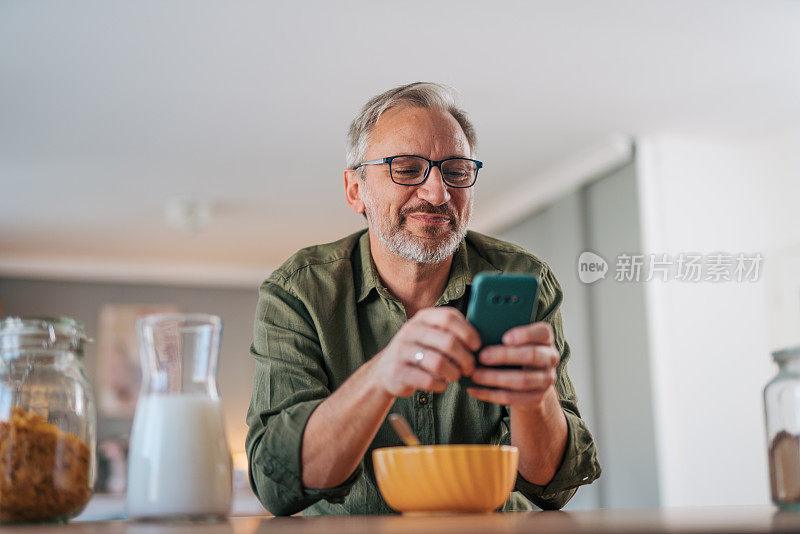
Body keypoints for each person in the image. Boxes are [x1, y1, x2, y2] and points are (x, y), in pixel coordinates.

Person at [246, 82, 601, 516]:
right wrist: (380, 376)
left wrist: (536, 398)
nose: (437, 193)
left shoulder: (523, 278)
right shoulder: (298, 292)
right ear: (355, 190)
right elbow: (276, 482)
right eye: (407, 168)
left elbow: (554, 486)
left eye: (455, 170)